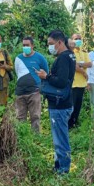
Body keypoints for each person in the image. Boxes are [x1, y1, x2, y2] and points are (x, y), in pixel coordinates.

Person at [36, 30, 75, 174]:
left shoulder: (64, 58)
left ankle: (63, 169)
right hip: (64, 102)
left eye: (51, 44)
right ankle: (59, 165)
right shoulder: (70, 55)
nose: (50, 47)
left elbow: (62, 81)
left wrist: (46, 76)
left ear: (60, 42)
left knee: (61, 139)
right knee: (59, 137)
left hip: (60, 105)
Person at [14, 36, 49, 132]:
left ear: (32, 46)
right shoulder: (18, 58)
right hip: (20, 93)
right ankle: (22, 137)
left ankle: (36, 138)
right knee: (20, 118)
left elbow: (46, 73)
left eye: (27, 45)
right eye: (24, 45)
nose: (25, 47)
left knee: (35, 116)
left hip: (34, 92)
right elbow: (17, 73)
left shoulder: (40, 58)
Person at [68, 33, 92, 129]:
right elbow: (73, 65)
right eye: (76, 38)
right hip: (73, 84)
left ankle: (74, 123)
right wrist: (83, 71)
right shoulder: (70, 52)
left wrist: (79, 65)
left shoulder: (84, 52)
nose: (78, 40)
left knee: (78, 106)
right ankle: (69, 124)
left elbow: (90, 64)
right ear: (72, 40)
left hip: (82, 84)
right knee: (71, 106)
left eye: (79, 38)